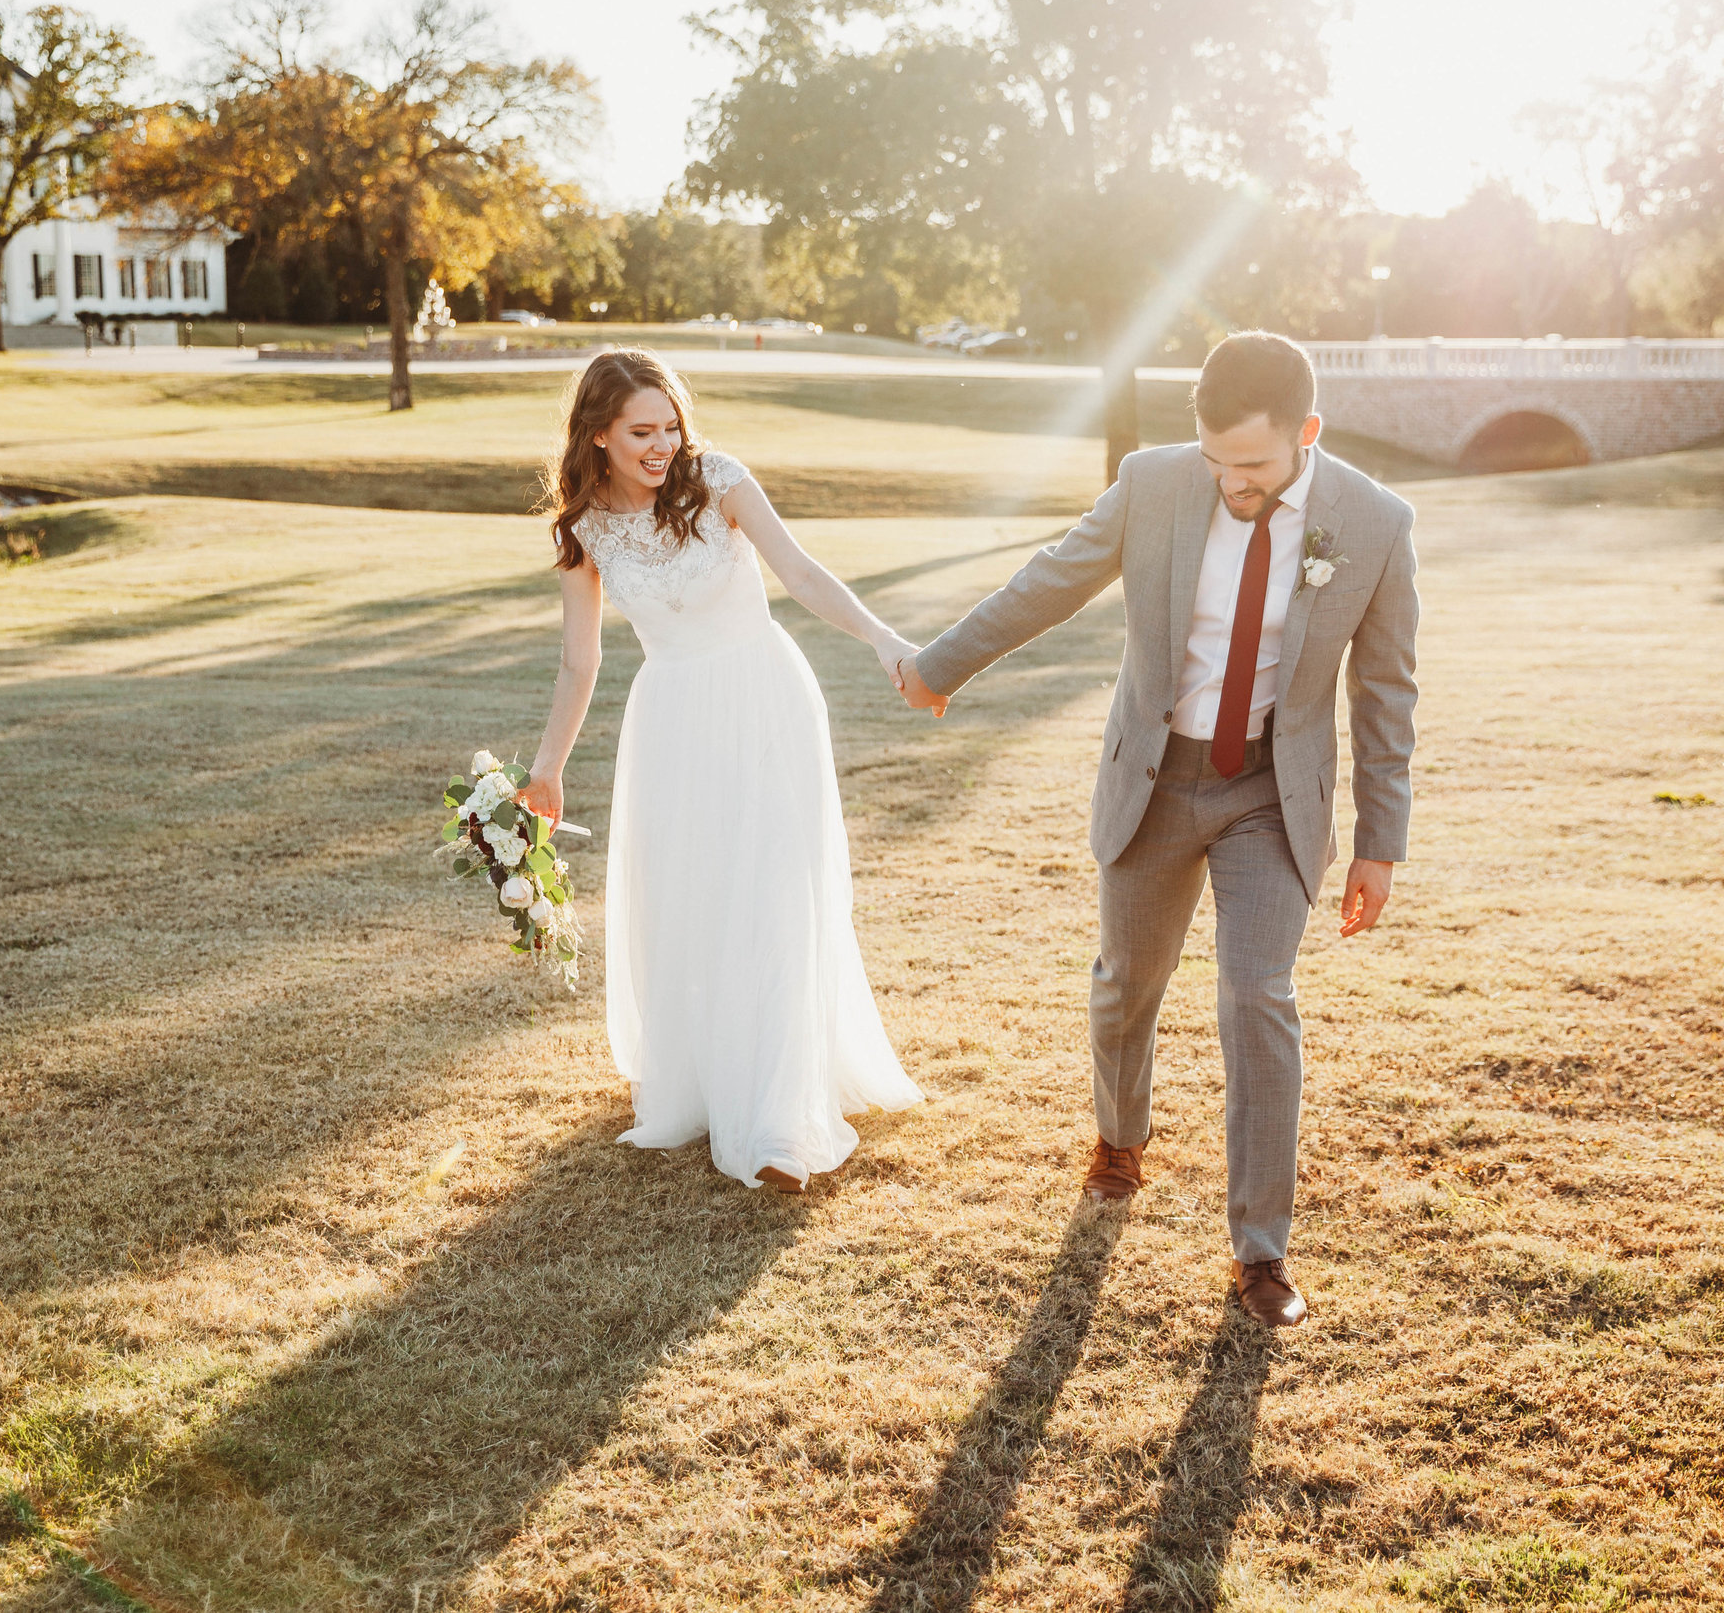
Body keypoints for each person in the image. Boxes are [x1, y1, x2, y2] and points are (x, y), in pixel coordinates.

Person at [891, 331, 1420, 1328]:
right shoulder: (1152, 483)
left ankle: (1261, 1251)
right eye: (1217, 461)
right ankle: (1119, 1138)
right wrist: (940, 664)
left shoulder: (1374, 520)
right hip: (1156, 780)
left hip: (1271, 794)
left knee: (1257, 993)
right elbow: (1047, 581)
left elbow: (1385, 688)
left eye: (1254, 466)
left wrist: (1379, 842)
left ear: (1306, 434)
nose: (1231, 483)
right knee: (1126, 982)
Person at [520, 348, 924, 1191]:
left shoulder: (720, 482)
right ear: (598, 435)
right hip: (671, 722)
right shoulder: (584, 531)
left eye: (670, 425)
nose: (663, 444)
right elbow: (578, 660)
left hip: (764, 697)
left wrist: (884, 639)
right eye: (641, 431)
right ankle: (709, 1079)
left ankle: (779, 1126)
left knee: (773, 888)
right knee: (700, 899)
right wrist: (548, 768)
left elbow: (803, 573)